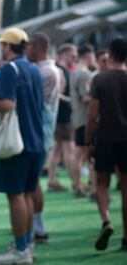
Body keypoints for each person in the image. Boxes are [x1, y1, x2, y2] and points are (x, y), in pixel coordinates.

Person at [0, 28, 44, 265]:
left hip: (17, 143)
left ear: (7, 46)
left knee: (16, 196)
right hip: (36, 141)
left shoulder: (10, 68)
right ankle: (26, 245)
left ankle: (21, 250)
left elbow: (7, 104)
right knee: (27, 193)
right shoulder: (33, 68)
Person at [86, 37, 127, 252]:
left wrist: (87, 141)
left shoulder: (100, 79)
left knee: (102, 184)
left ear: (109, 55)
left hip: (105, 138)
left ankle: (106, 221)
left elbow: (92, 115)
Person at [26, 31, 61, 244]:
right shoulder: (52, 69)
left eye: (29, 46)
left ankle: (35, 225)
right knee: (33, 181)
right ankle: (35, 223)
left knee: (31, 183)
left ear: (37, 47)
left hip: (38, 131)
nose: (26, 49)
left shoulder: (42, 72)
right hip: (45, 130)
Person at [47, 44, 77, 192]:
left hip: (61, 116)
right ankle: (76, 183)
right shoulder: (59, 70)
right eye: (73, 56)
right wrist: (72, 100)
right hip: (62, 116)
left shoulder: (61, 70)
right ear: (64, 54)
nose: (75, 59)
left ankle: (53, 179)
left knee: (58, 149)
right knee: (69, 150)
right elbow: (57, 94)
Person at [70, 44, 95, 197]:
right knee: (88, 155)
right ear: (88, 56)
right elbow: (85, 96)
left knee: (79, 154)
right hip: (85, 119)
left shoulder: (74, 71)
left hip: (77, 117)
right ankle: (91, 189)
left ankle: (79, 186)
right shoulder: (84, 73)